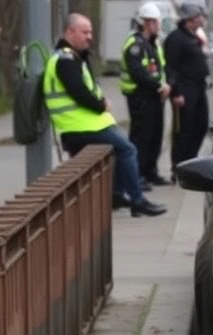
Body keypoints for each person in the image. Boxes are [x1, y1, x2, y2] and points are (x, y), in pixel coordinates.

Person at [43, 13, 166, 218]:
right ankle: (138, 201)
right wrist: (101, 104)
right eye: (84, 32)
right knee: (128, 150)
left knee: (122, 150)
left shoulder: (73, 56)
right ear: (69, 32)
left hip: (87, 125)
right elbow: (78, 91)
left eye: (91, 32)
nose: (89, 36)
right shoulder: (66, 59)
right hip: (78, 127)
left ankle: (117, 195)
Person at [121, 2, 171, 187]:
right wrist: (159, 85)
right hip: (140, 98)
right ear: (147, 23)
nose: (158, 26)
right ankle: (138, 176)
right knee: (141, 137)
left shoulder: (153, 43)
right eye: (156, 22)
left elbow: (160, 67)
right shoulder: (134, 44)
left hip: (154, 97)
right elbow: (138, 72)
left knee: (155, 136)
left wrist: (163, 85)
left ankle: (151, 172)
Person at [164, 2, 210, 178]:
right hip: (185, 90)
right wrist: (176, 93)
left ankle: (191, 160)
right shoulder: (176, 39)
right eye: (198, 17)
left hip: (198, 88)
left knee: (201, 125)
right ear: (189, 20)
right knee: (183, 130)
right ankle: (179, 166)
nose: (201, 19)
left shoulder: (193, 36)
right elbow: (171, 68)